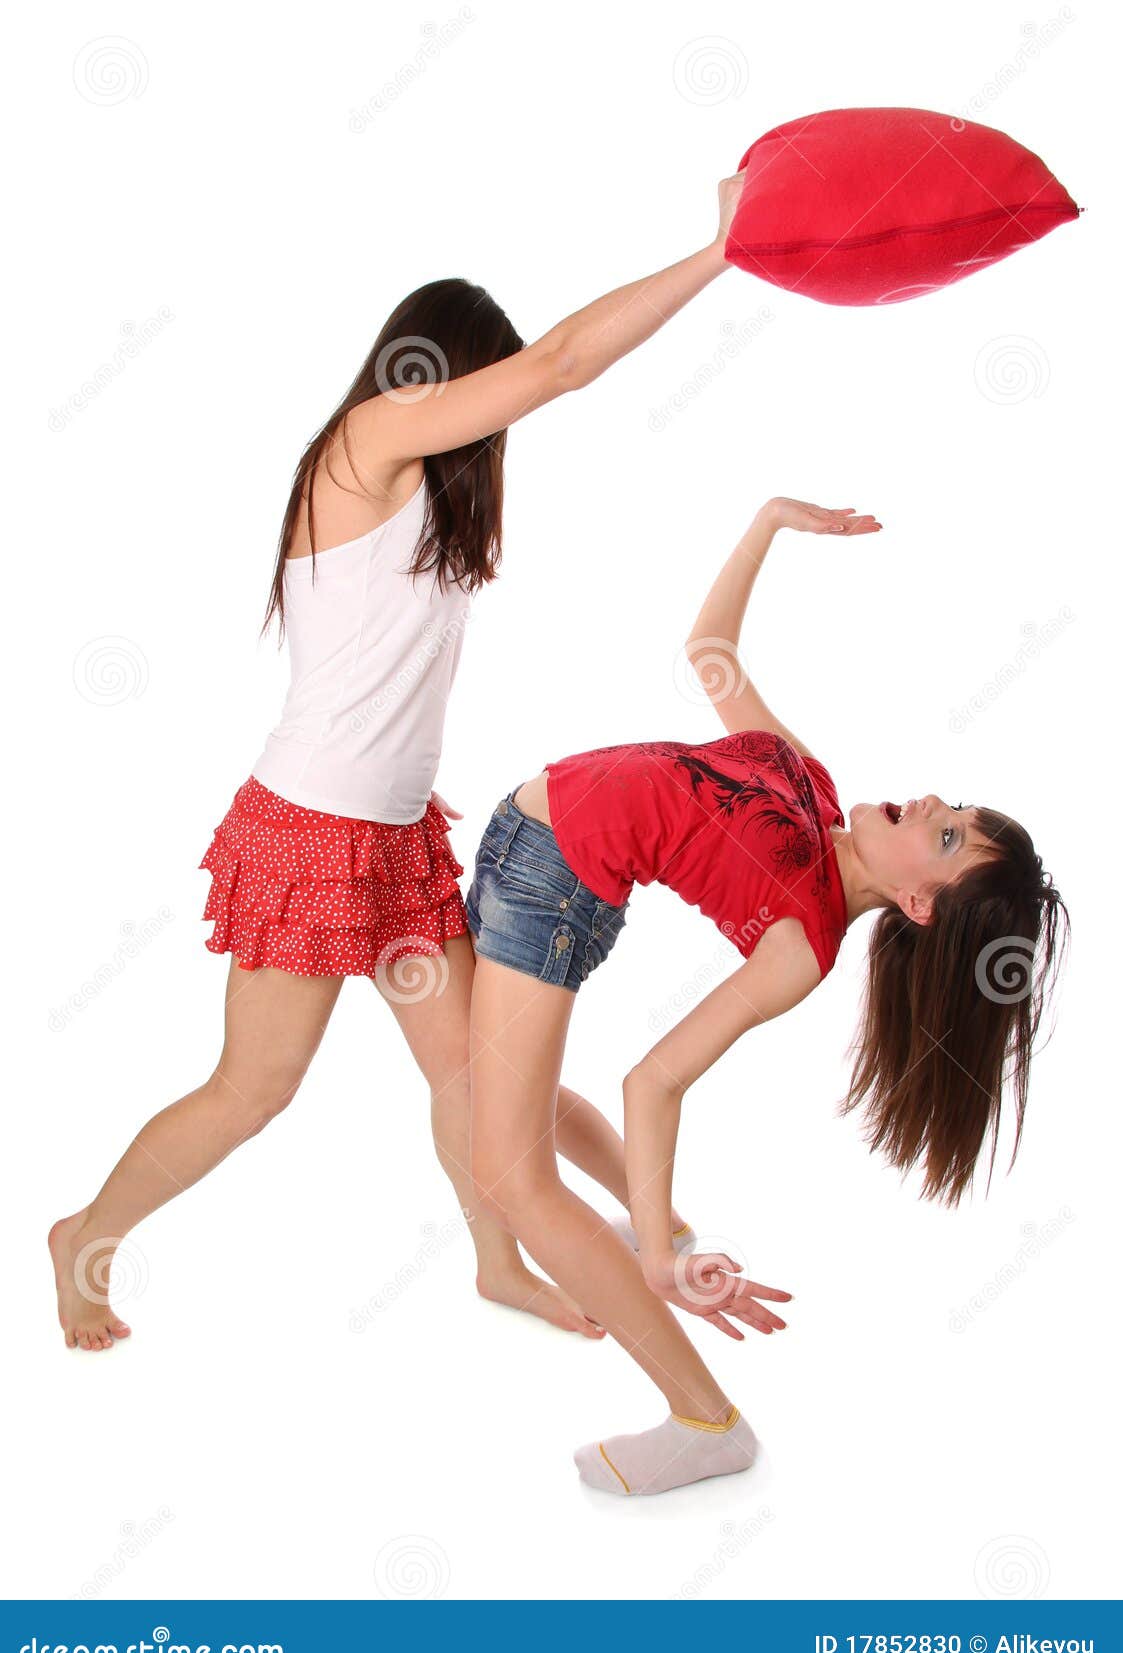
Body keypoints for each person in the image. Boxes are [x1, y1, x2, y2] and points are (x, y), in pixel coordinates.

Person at [50, 177, 746, 1351]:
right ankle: (85, 1234)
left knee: (479, 1078)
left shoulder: (430, 498)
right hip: (311, 831)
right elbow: (568, 362)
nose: (495, 416)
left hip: (396, 836)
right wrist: (719, 252)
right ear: (432, 378)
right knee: (253, 1091)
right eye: (484, 387)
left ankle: (495, 1263)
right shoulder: (366, 444)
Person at [465, 496, 1068, 1496]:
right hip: (525, 849)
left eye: (949, 836)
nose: (931, 803)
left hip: (551, 890)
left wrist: (652, 1248)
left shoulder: (801, 940)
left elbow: (654, 1079)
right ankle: (655, 1239)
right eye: (955, 807)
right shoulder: (812, 788)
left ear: (917, 901)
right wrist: (769, 523)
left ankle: (707, 1421)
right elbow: (710, 653)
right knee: (486, 1098)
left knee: (509, 1172)